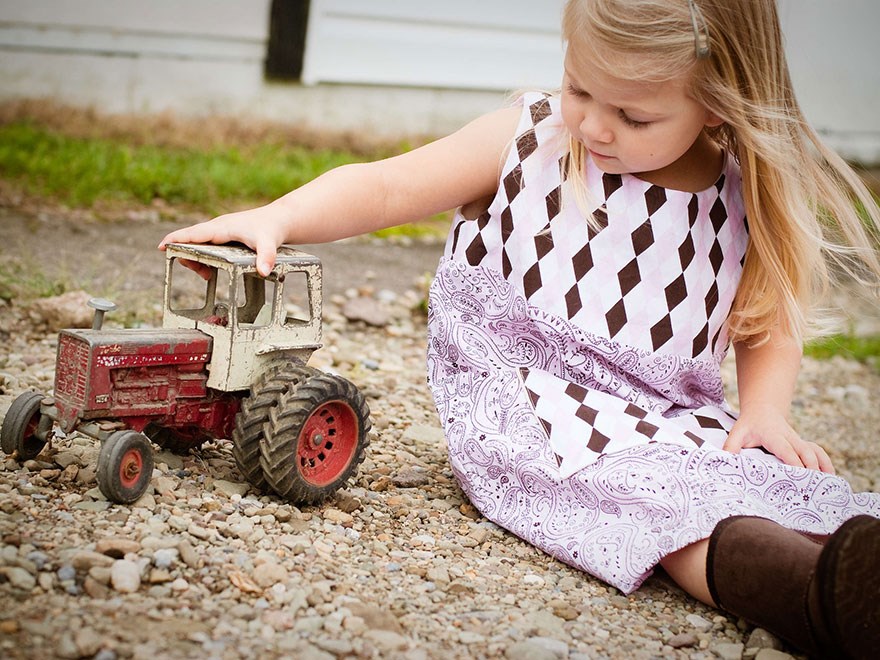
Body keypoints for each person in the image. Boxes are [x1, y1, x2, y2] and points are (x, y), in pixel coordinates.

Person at [160, 1, 880, 656]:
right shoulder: (532, 142)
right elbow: (386, 185)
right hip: (536, 407)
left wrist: (762, 413)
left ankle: (857, 567)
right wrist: (277, 218)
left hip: (667, 416)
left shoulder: (736, 193)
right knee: (660, 513)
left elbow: (766, 320)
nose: (595, 124)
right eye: (580, 88)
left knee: (762, 478)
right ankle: (812, 598)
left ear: (719, 107)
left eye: (633, 116)